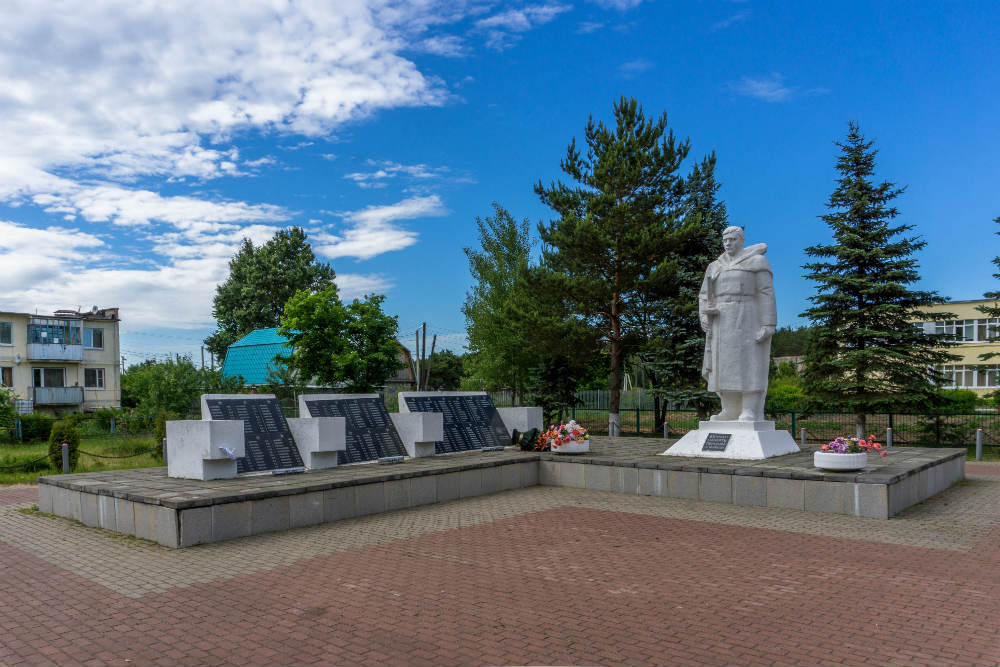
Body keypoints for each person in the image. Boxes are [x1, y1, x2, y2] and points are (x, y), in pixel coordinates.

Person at [699, 226, 776, 421]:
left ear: (741, 240)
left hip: (747, 314)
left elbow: (766, 292)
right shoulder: (715, 266)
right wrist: (704, 317)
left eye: (732, 239)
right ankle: (729, 409)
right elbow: (704, 295)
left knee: (748, 362)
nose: (728, 243)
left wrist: (767, 323)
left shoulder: (756, 261)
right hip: (721, 319)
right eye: (725, 240)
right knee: (723, 364)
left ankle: (749, 409)